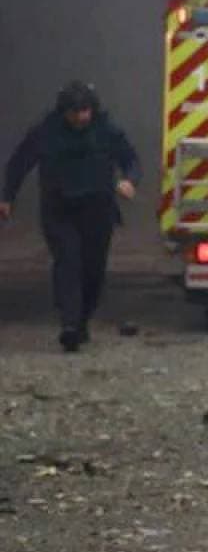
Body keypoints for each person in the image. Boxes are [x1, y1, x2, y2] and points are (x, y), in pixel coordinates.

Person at [1, 81, 140, 352]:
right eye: (74, 112)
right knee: (67, 261)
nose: (80, 117)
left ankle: (82, 319)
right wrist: (7, 197)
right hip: (59, 208)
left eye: (85, 111)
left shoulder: (106, 130)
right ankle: (69, 324)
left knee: (93, 269)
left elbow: (130, 159)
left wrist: (130, 181)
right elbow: (19, 162)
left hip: (98, 209)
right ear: (64, 112)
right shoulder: (46, 132)